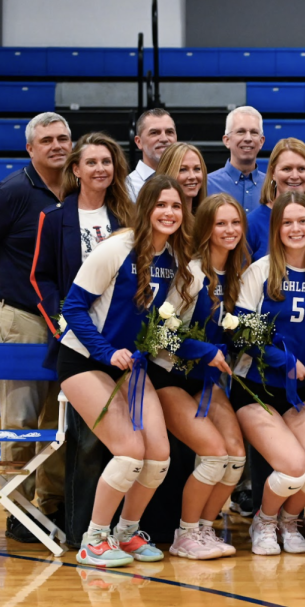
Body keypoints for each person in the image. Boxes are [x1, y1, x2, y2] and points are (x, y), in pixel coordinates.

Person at [56, 175, 206, 566]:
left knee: (159, 456)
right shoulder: (117, 249)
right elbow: (72, 308)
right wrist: (106, 352)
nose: (170, 213)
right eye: (161, 205)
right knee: (128, 453)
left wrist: (205, 352)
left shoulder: (174, 259)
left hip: (130, 364)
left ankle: (126, 532)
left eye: (176, 206)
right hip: (84, 360)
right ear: (145, 209)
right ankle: (93, 539)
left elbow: (161, 329)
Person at [0, 112, 72, 544]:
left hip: (63, 320)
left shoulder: (76, 187)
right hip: (21, 316)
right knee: (21, 418)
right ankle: (16, 510)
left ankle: (50, 503)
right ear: (30, 148)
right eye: (47, 140)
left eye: (63, 138)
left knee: (56, 418)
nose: (57, 145)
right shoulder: (14, 191)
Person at [241, 137, 305, 526]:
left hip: (300, 384)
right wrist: (281, 358)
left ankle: (289, 519)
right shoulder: (259, 270)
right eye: (288, 222)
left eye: (303, 221)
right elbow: (240, 327)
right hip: (256, 379)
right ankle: (265, 520)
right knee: (291, 466)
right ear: (275, 226)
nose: (296, 228)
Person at [148, 193, 250, 559]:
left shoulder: (239, 273)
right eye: (220, 223)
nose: (229, 230)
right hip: (168, 375)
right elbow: (157, 334)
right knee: (214, 454)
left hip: (206, 381)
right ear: (205, 228)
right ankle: (184, 534)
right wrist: (205, 351)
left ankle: (206, 530)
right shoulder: (190, 273)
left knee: (236, 456)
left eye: (235, 222)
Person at [31, 132, 133, 369]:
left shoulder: (130, 216)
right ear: (76, 170)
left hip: (118, 330)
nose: (100, 168)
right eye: (91, 162)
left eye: (106, 162)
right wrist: (62, 325)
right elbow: (40, 278)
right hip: (76, 332)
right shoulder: (53, 217)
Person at [245, 138, 305, 269]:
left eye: (302, 169)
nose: (295, 176)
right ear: (273, 173)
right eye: (287, 169)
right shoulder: (252, 222)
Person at [206, 106, 266, 213]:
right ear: (227, 140)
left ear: (261, 141)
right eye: (241, 132)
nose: (248, 138)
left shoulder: (272, 186)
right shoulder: (207, 185)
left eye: (254, 132)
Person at [126, 109, 177, 200]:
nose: (164, 139)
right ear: (139, 142)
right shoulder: (127, 188)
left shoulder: (186, 180)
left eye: (169, 132)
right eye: (154, 133)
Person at [156, 142, 208, 214]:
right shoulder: (158, 220)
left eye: (197, 169)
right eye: (183, 169)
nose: (192, 176)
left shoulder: (207, 221)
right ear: (167, 173)